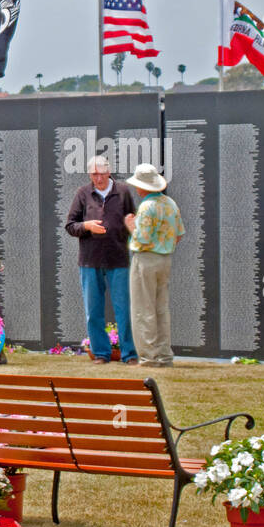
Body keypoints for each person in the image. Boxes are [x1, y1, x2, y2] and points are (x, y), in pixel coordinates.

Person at [66, 155, 138, 365]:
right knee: (93, 310)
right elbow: (70, 225)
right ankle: (101, 353)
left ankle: (129, 354)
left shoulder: (123, 192)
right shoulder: (82, 193)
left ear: (109, 171)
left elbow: (131, 220)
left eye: (101, 173)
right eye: (93, 174)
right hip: (90, 260)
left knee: (123, 308)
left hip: (118, 258)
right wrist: (87, 226)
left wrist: (130, 228)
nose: (97, 178)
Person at [124, 163, 184, 368]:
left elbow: (143, 238)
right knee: (161, 309)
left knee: (143, 308)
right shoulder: (170, 203)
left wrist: (131, 225)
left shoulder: (146, 207)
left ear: (144, 187)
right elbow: (179, 234)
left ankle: (149, 357)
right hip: (165, 259)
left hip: (146, 259)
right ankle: (164, 355)